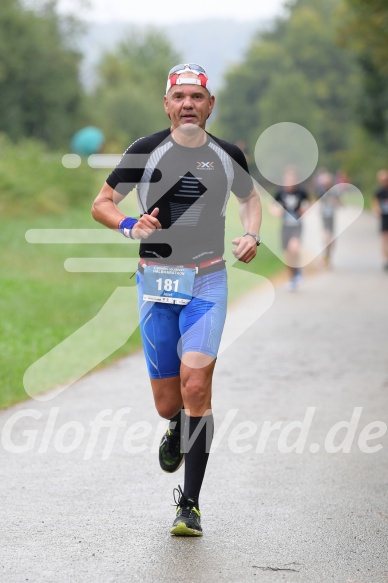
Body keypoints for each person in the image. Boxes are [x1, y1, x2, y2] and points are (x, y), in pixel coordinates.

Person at [91, 64, 262, 536]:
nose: (188, 104)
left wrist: (252, 234)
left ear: (210, 106)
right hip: (155, 283)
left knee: (195, 387)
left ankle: (190, 504)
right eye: (179, 96)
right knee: (170, 404)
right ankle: (176, 428)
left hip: (207, 281)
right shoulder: (145, 151)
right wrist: (129, 225)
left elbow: (250, 200)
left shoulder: (226, 155)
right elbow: (102, 202)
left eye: (197, 97)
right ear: (167, 104)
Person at [270, 168, 310, 291]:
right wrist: (277, 212)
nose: (290, 181)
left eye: (292, 179)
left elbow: (309, 202)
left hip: (297, 225)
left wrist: (304, 210)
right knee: (288, 254)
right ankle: (293, 277)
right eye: (288, 179)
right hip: (285, 226)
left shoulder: (301, 192)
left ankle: (298, 272)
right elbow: (271, 205)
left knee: (294, 248)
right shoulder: (280, 192)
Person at [314, 171, 342, 267]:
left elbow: (340, 203)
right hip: (324, 216)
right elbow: (317, 202)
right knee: (326, 236)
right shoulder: (320, 191)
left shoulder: (335, 191)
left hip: (331, 216)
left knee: (332, 238)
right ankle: (325, 256)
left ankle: (328, 256)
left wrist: (334, 202)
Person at [372, 169, 388, 271]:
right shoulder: (379, 191)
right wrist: (377, 210)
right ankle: (386, 260)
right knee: (385, 239)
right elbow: (375, 203)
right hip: (384, 218)